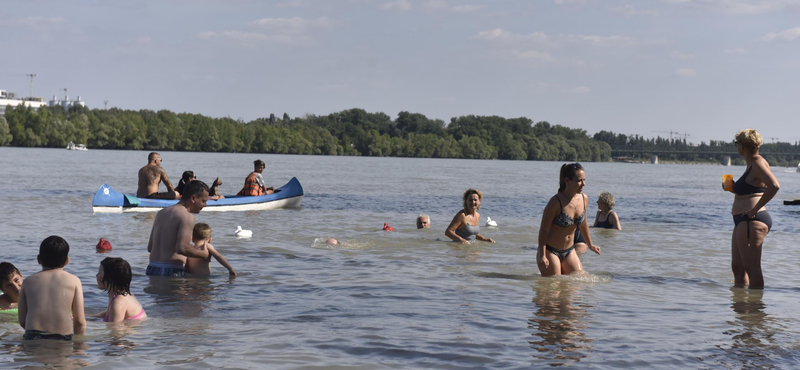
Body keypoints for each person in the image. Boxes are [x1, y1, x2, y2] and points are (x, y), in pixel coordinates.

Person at [727, 129, 780, 289]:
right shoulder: (752, 164)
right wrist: (734, 188)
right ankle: (742, 308)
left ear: (742, 146)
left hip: (752, 220)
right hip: (743, 221)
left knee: (752, 269)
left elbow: (774, 186)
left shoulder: (757, 162)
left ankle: (756, 311)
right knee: (737, 268)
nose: (737, 147)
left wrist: (754, 210)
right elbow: (754, 189)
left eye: (737, 144)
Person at [537, 163, 601, 277]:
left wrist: (590, 245)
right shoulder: (555, 202)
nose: (583, 184)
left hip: (569, 251)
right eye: (579, 181)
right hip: (550, 251)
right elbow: (543, 231)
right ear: (567, 180)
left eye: (584, 180)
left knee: (577, 285)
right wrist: (542, 254)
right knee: (553, 287)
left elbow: (583, 224)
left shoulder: (584, 198)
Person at [17, 236, 86, 340]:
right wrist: (79, 345)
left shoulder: (28, 281)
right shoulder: (74, 281)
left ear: (39, 259)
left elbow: (22, 320)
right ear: (67, 261)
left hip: (33, 336)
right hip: (62, 338)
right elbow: (79, 322)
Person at [146, 180, 211, 277]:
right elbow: (182, 248)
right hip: (171, 270)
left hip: (152, 268)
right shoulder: (187, 216)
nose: (205, 205)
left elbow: (150, 247)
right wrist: (204, 254)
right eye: (203, 201)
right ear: (193, 198)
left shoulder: (161, 213)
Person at [96, 257, 147, 322]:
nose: (97, 275)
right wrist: (90, 317)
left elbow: (115, 330)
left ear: (109, 279)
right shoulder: (122, 295)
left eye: (99, 273)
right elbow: (108, 313)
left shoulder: (118, 303)